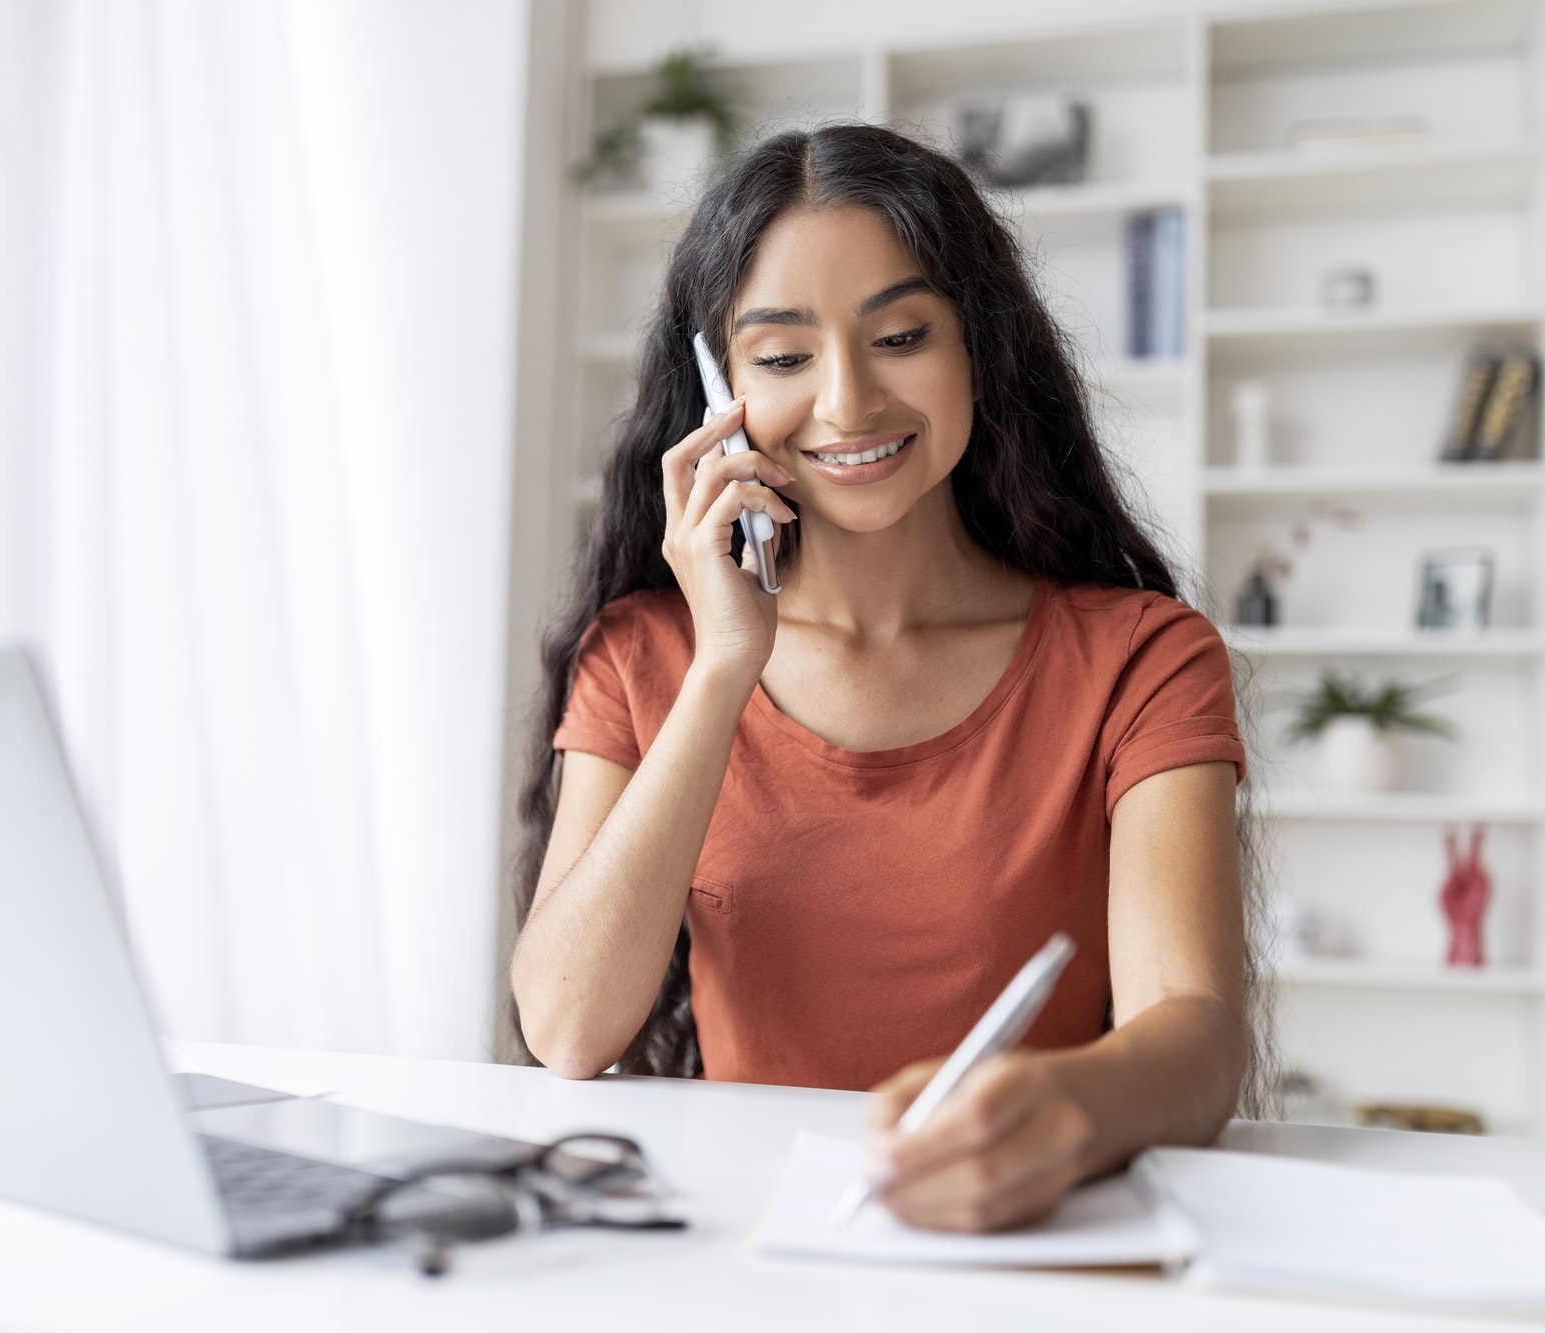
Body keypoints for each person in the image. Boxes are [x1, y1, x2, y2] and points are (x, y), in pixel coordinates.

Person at [508, 124, 1264, 1235]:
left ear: (979, 347)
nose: (849, 403)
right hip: (737, 1249)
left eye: (899, 335)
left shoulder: (1140, 658)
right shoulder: (644, 654)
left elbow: (1191, 1029)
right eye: (779, 358)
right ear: (717, 393)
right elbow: (569, 1028)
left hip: (1025, 1238)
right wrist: (725, 664)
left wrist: (1060, 1105)